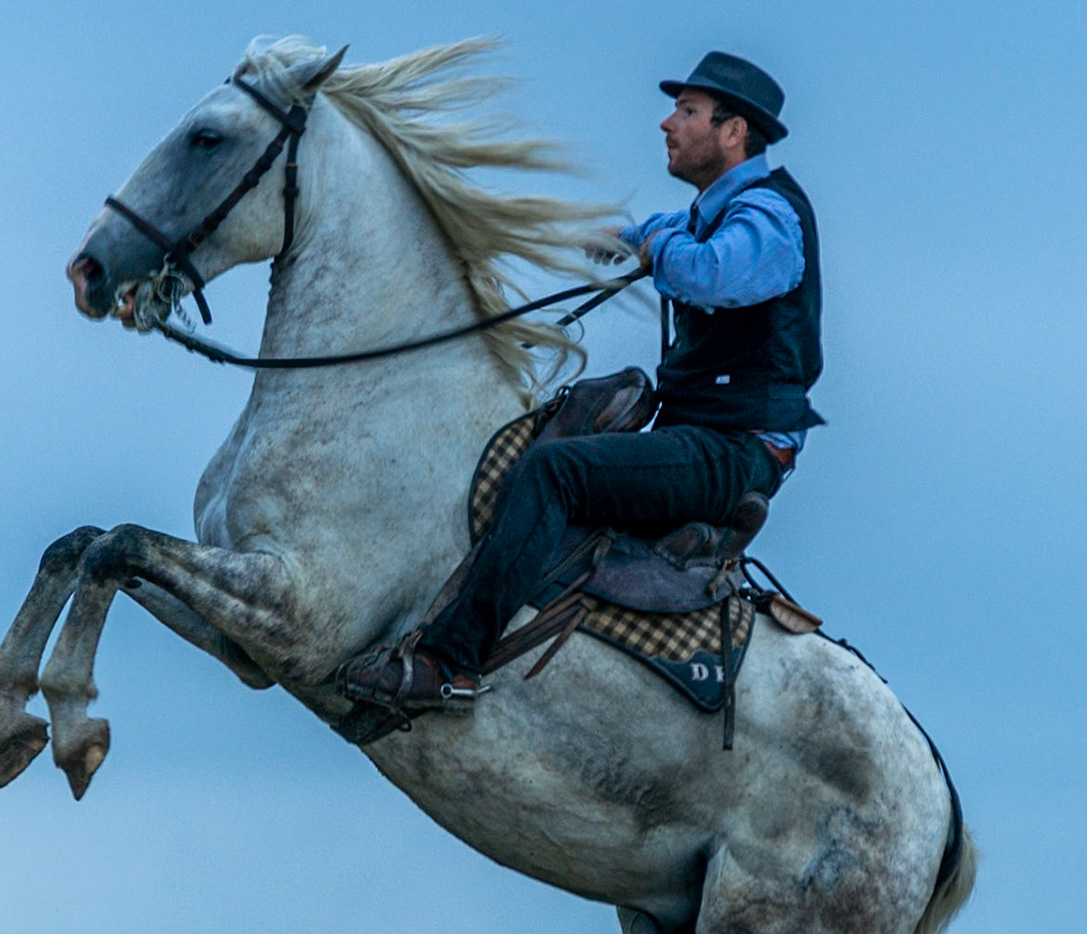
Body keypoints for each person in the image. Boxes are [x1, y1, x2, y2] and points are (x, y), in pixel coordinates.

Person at [339, 50, 822, 713]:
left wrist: (652, 251)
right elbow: (670, 230)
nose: (666, 123)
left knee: (554, 473)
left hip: (735, 451)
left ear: (733, 131)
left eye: (686, 112)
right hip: (711, 438)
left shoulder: (770, 216)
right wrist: (628, 236)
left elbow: (716, 273)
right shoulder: (719, 208)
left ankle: (448, 665)